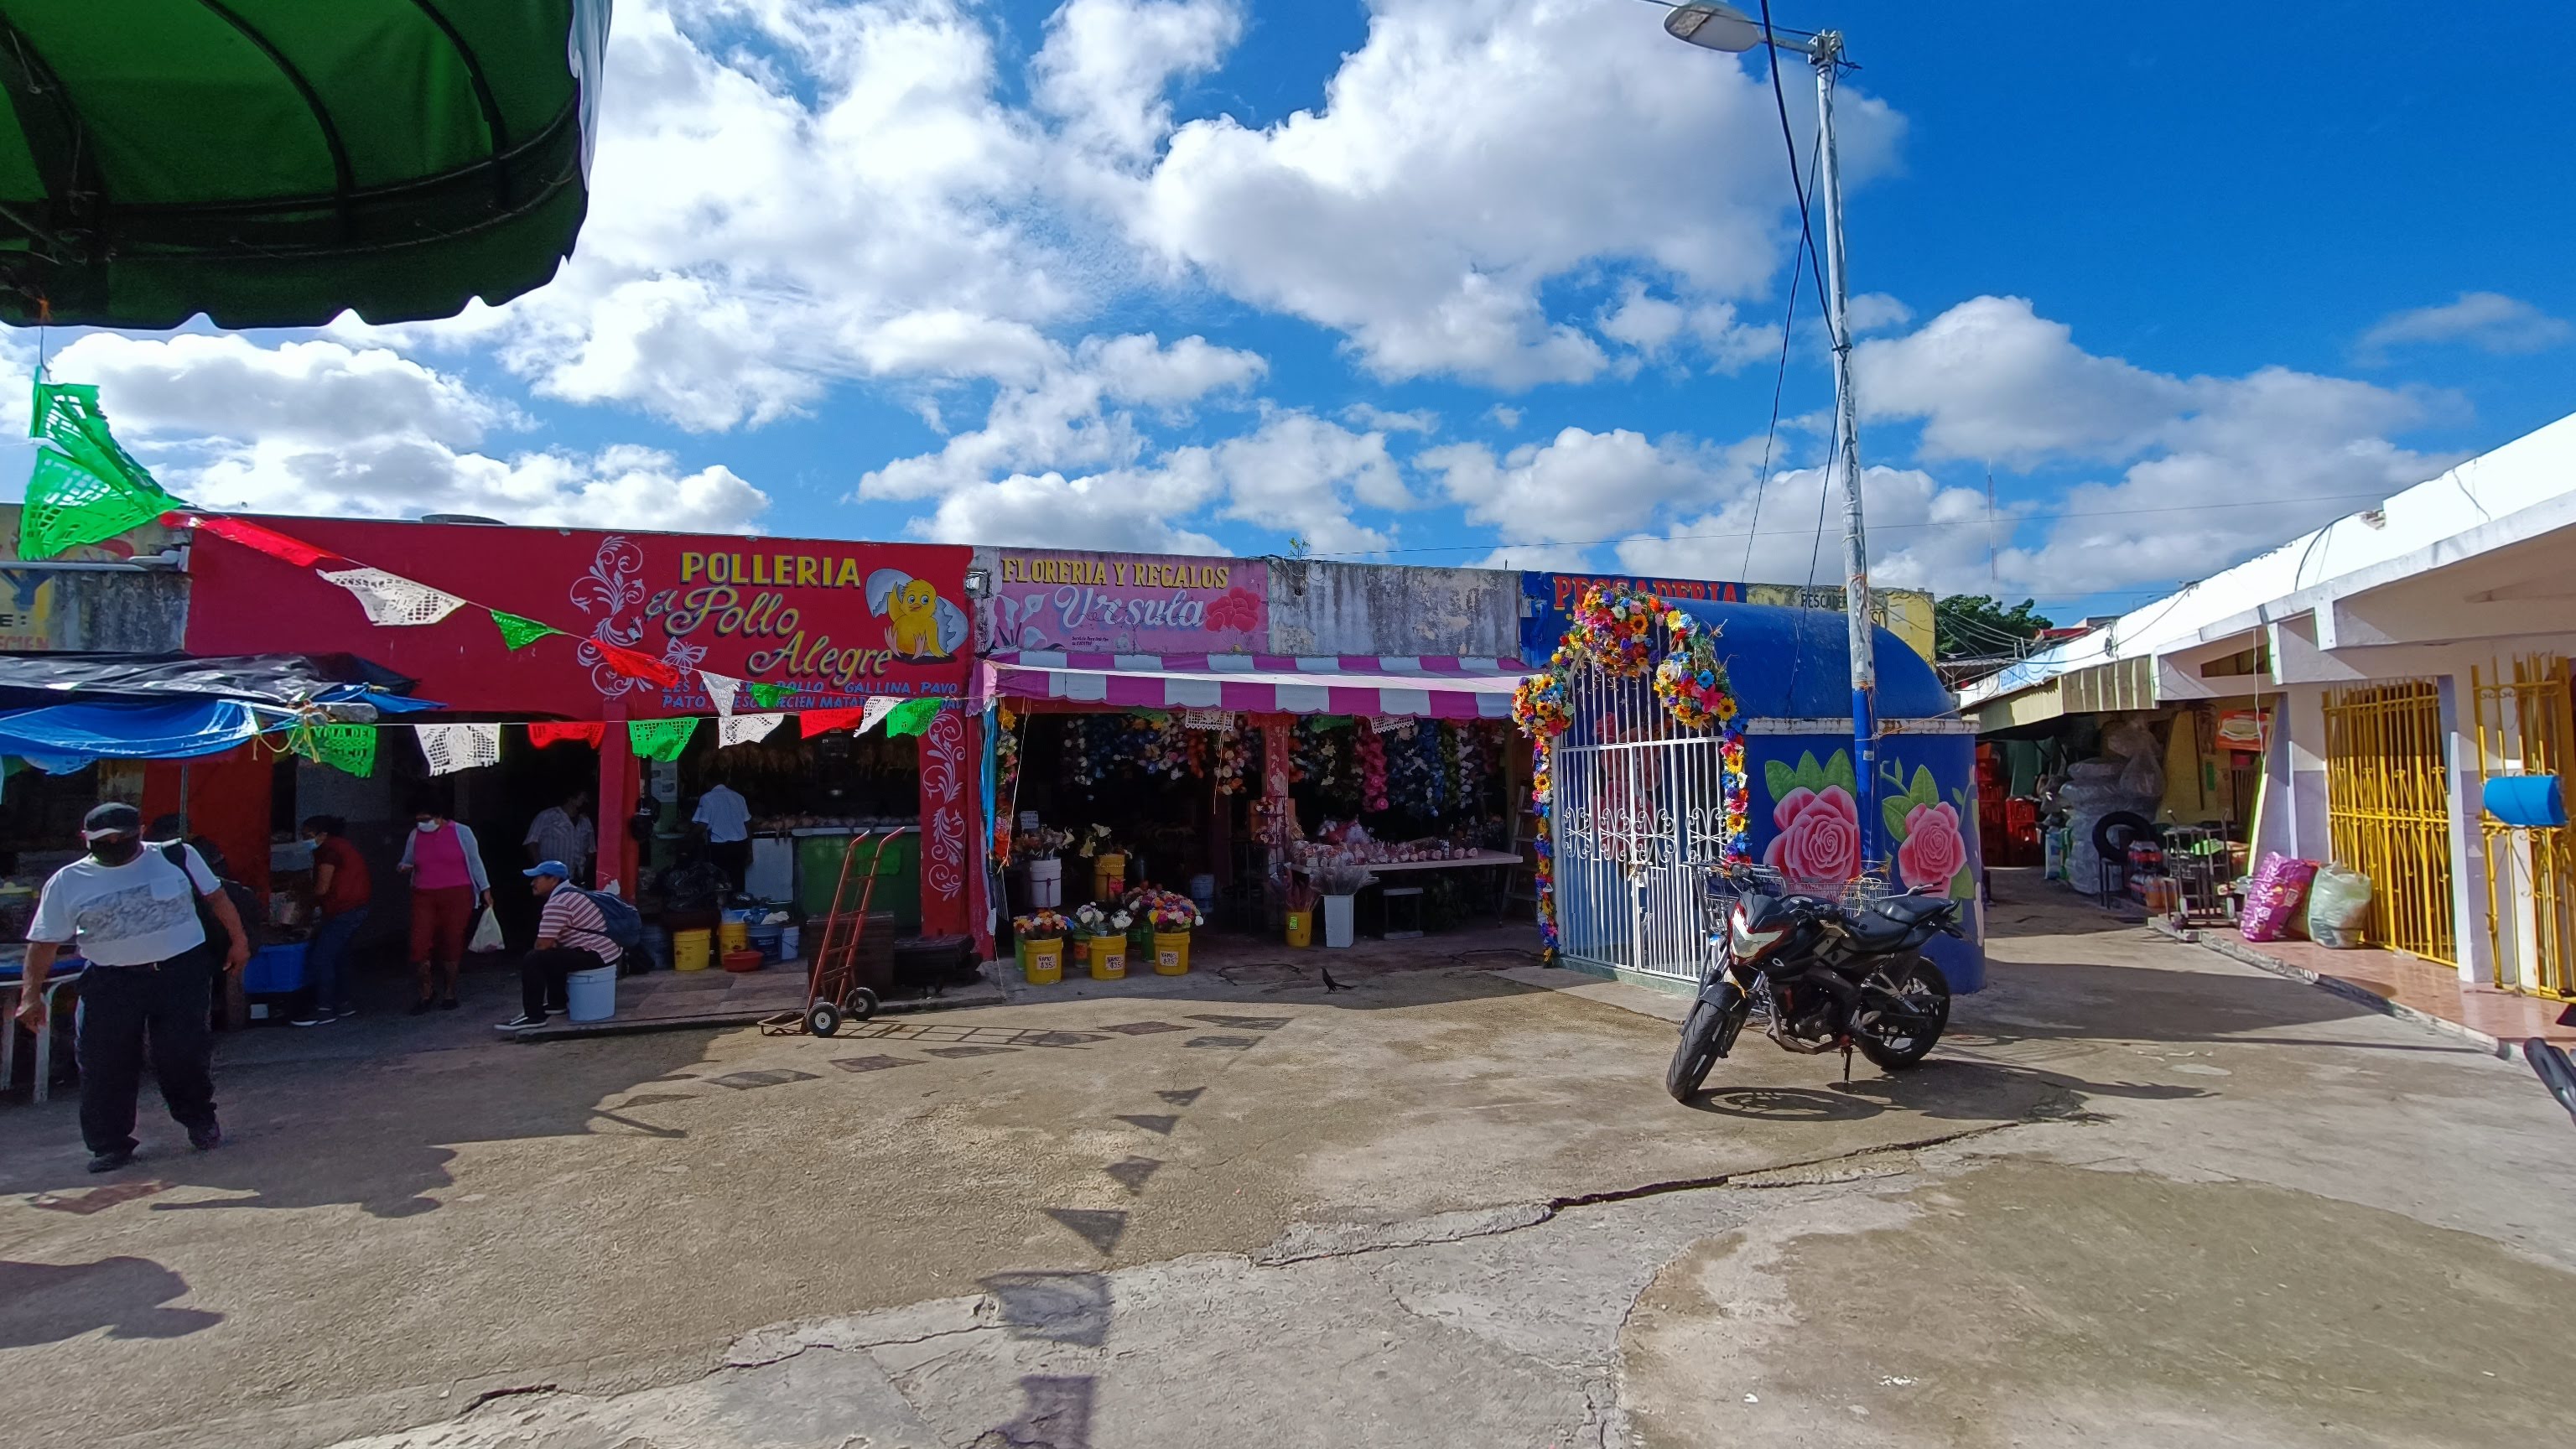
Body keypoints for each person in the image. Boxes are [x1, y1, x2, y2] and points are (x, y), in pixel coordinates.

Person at [15, 803, 252, 1173]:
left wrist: (239, 941)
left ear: (140, 831)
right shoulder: (68, 881)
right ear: (85, 840)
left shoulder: (177, 855)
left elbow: (217, 898)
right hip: (111, 980)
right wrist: (30, 995)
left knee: (182, 1054)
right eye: (103, 841)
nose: (113, 844)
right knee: (103, 1063)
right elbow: (43, 941)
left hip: (179, 974)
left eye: (121, 838)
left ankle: (200, 1121)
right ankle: (110, 1145)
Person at [498, 860, 621, 1031]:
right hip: (606, 951)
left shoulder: (558, 902)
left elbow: (542, 945)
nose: (532, 883)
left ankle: (534, 1016)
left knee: (534, 959)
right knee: (553, 954)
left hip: (596, 954)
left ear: (554, 880)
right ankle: (557, 1003)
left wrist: (546, 944)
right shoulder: (573, 892)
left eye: (537, 878)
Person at [396, 797, 491, 1013]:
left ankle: (450, 991)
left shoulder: (462, 832)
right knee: (419, 945)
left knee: (452, 941)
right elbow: (406, 860)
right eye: (418, 820)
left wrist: (485, 889)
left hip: (458, 894)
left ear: (439, 818)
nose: (422, 823)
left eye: (426, 819)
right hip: (424, 895)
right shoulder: (415, 835)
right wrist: (404, 867)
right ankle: (426, 992)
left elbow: (475, 861)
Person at [290, 815, 371, 1027]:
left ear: (322, 835)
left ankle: (324, 1009)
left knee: (321, 958)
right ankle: (343, 1004)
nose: (304, 839)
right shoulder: (342, 847)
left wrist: (302, 901)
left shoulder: (329, 851)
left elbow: (321, 889)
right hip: (354, 908)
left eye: (307, 836)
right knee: (340, 957)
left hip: (344, 910)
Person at [523, 789, 595, 887]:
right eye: (583, 798)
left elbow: (591, 850)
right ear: (571, 799)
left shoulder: (585, 822)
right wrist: (541, 869)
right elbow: (531, 842)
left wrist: (583, 869)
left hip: (576, 880)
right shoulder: (547, 816)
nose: (586, 802)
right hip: (551, 879)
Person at [693, 779, 751, 891]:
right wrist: (750, 850)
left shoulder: (707, 798)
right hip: (740, 846)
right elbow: (747, 825)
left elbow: (702, 825)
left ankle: (722, 906)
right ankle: (739, 904)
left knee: (720, 884)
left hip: (720, 848)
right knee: (738, 881)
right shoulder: (739, 797)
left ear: (708, 783)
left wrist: (687, 838)